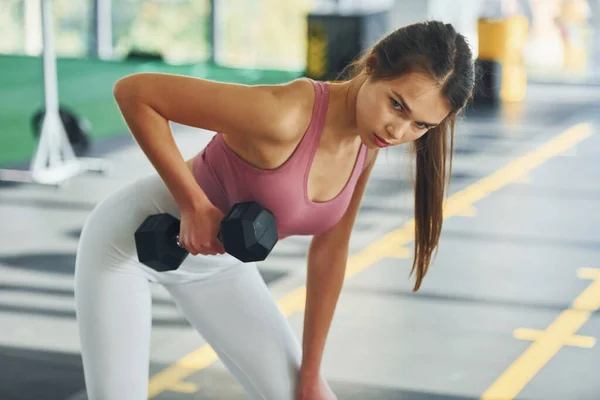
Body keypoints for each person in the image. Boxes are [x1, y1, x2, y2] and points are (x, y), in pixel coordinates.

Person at [74, 20, 475, 400]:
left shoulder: (364, 147)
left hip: (219, 268)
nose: (397, 132)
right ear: (372, 66)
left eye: (420, 126)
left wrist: (311, 374)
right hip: (126, 250)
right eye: (396, 105)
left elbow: (330, 251)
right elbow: (135, 92)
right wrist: (193, 203)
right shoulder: (285, 114)